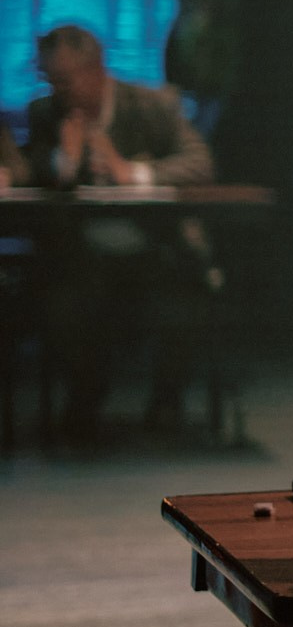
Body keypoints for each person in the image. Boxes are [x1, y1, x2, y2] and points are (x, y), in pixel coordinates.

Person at [22, 25, 216, 437]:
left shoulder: (152, 105)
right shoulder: (46, 114)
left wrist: (133, 173)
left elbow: (199, 163)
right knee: (64, 299)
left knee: (182, 295)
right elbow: (33, 172)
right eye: (51, 80)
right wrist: (66, 161)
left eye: (65, 79)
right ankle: (84, 399)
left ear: (96, 71)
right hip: (83, 256)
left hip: (155, 248)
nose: (59, 90)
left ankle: (166, 404)